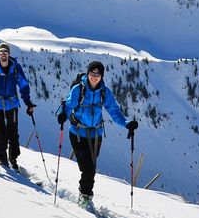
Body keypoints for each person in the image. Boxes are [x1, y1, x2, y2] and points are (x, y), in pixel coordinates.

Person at [56, 61, 138, 208]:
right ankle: (85, 197)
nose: (94, 77)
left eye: (97, 74)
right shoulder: (78, 90)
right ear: (88, 74)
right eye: (92, 73)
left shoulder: (104, 92)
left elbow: (114, 111)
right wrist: (63, 115)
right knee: (87, 168)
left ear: (101, 76)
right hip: (78, 133)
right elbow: (68, 106)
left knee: (91, 168)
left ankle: (85, 196)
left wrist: (126, 124)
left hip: (96, 135)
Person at [0, 42, 35, 169]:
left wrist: (28, 103)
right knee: (1, 132)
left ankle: (13, 159)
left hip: (12, 104)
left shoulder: (15, 68)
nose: (3, 54)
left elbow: (23, 85)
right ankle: (1, 158)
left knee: (13, 133)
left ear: (9, 54)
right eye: (1, 52)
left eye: (6, 52)